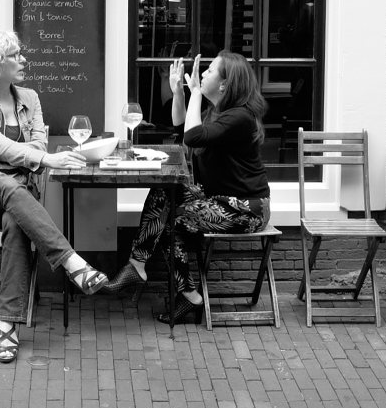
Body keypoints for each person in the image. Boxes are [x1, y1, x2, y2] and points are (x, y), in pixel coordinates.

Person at [0, 27, 108, 363]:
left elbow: (29, 144)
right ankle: (73, 263)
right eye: (15, 55)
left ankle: (7, 328)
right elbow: (19, 148)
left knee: (15, 220)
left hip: (17, 196)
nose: (23, 60)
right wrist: (24, 155)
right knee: (7, 187)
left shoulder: (29, 99)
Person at [104, 51, 271, 324]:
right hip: (219, 198)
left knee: (174, 218)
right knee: (165, 191)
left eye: (210, 71)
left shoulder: (239, 117)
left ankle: (176, 287)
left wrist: (194, 92)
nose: (203, 73)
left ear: (225, 84)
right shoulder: (218, 113)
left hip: (247, 208)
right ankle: (150, 272)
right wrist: (180, 95)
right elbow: (184, 129)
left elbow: (193, 138)